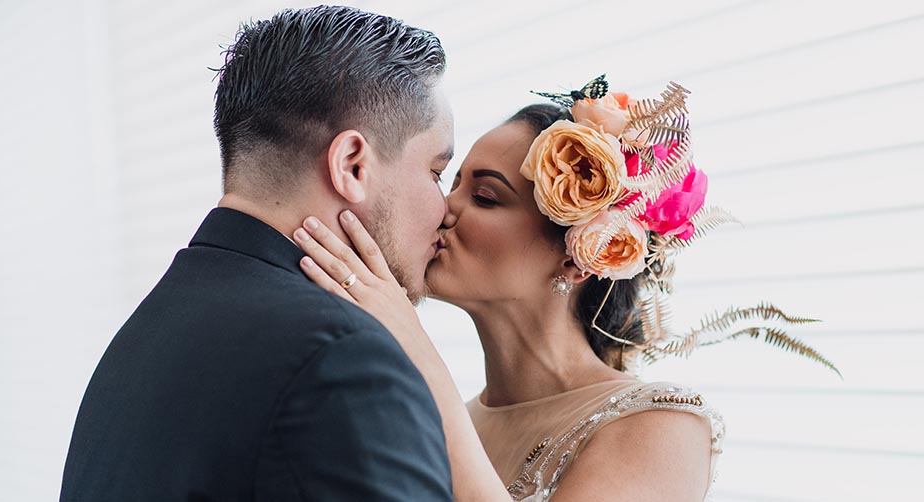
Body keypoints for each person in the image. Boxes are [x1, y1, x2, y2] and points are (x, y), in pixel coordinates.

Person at [60, 6, 457, 501]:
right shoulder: (343, 359)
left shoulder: (143, 334)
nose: (446, 211)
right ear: (353, 166)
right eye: (438, 173)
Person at [292, 90, 730, 500]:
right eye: (448, 182)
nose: (444, 208)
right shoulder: (437, 418)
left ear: (580, 256)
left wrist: (414, 347)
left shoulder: (658, 424)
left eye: (485, 197)